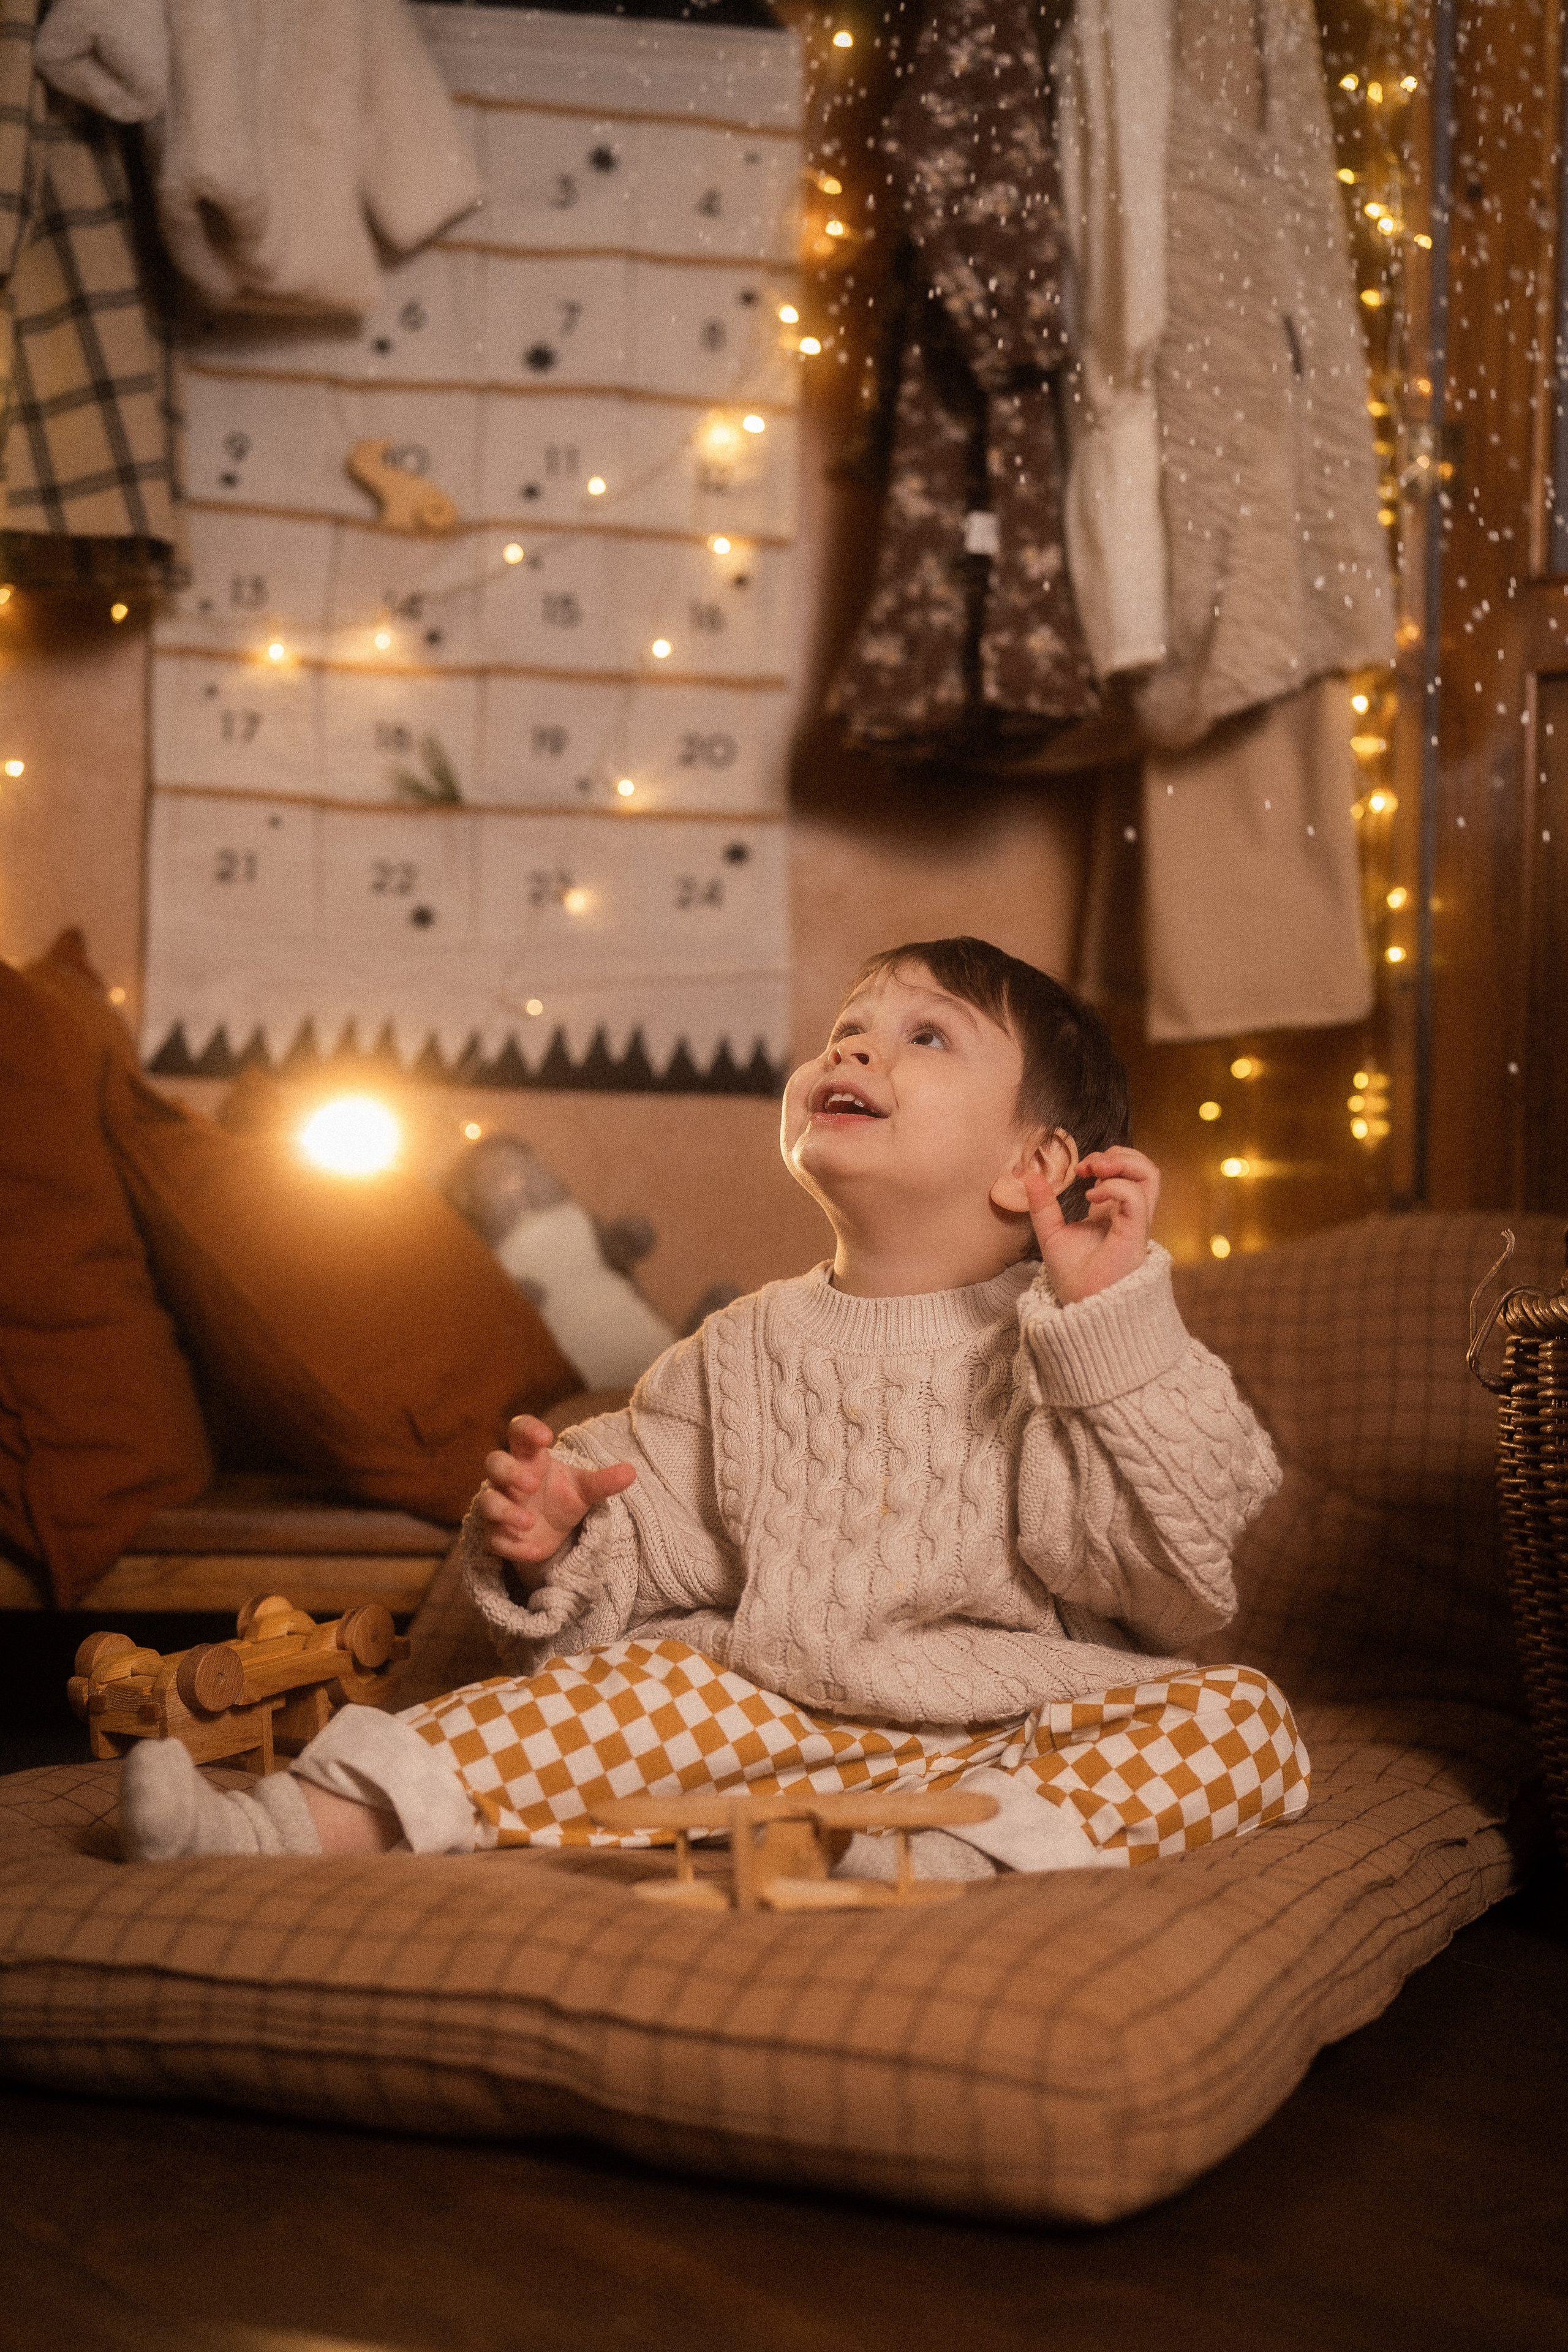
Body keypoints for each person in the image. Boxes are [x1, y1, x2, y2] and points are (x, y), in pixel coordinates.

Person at [120, 937, 1308, 1874]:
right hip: (758, 1709)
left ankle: (947, 1852)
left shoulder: (1071, 1338)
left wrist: (1107, 1322)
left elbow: (1169, 1576)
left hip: (1009, 1731)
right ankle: (266, 1833)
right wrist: (567, 1535)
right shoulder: (741, 1349)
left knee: (1238, 1722)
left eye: (922, 1036)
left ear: (1033, 1169)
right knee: (569, 1703)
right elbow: (655, 1540)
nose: (850, 1054)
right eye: (845, 1033)